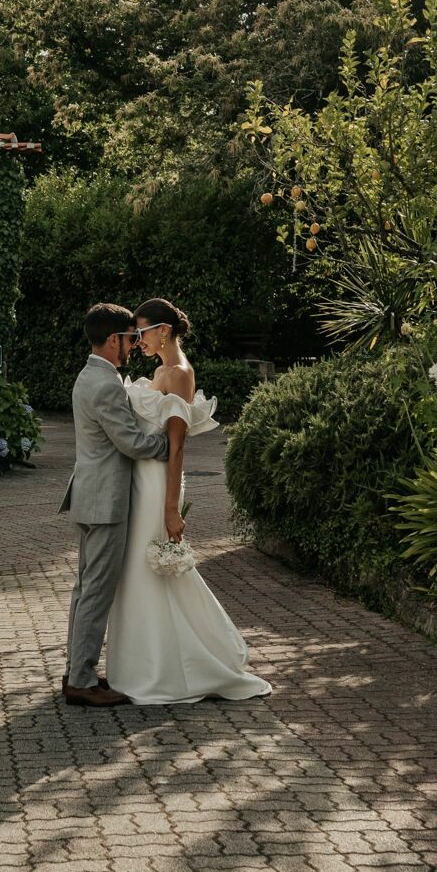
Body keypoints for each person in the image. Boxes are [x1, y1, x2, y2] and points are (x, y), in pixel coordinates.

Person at [100, 297, 271, 706]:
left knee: (154, 569)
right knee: (139, 572)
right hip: (141, 481)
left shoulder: (179, 375)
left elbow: (176, 448)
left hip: (159, 484)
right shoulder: (159, 371)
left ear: (163, 331)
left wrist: (171, 508)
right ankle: (137, 666)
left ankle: (172, 667)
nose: (136, 340)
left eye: (141, 332)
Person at [59, 303, 168, 707]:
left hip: (89, 495)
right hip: (104, 502)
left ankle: (77, 670)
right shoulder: (104, 383)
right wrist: (171, 444)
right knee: (96, 592)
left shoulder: (90, 375)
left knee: (84, 589)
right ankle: (82, 681)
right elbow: (132, 442)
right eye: (129, 338)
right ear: (111, 340)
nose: (133, 345)